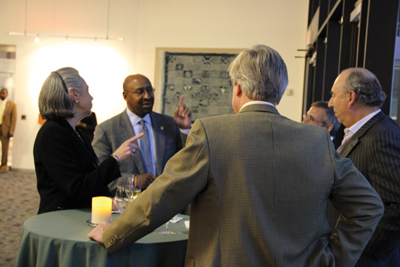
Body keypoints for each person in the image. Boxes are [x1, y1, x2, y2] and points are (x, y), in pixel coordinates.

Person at [88, 45, 384, 267]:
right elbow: (369, 206)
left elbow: (161, 198)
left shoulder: (210, 133)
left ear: (238, 88)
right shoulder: (318, 140)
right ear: (279, 93)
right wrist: (333, 259)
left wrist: (112, 233)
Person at [34, 67, 143, 214]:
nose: (91, 97)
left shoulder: (74, 131)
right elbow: (77, 188)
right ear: (74, 94)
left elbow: (88, 179)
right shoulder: (53, 133)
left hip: (75, 214)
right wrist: (116, 158)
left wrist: (108, 201)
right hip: (60, 219)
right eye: (87, 90)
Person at [328, 67, 400, 266]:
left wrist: (357, 251)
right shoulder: (362, 132)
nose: (330, 102)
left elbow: (396, 206)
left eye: (334, 95)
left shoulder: (382, 136)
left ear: (351, 97)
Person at [92, 74, 191, 191]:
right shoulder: (106, 129)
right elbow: (99, 176)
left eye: (150, 90)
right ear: (125, 96)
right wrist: (134, 181)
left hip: (166, 202)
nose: (147, 96)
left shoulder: (169, 123)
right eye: (140, 92)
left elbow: (187, 161)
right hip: (130, 205)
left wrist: (185, 129)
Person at [0, 88, 17, 173]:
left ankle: (3, 165)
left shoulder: (12, 105)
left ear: (7, 94)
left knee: (5, 148)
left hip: (5, 129)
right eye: (1, 93)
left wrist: (12, 131)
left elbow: (14, 119)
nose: (2, 95)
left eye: (3, 93)